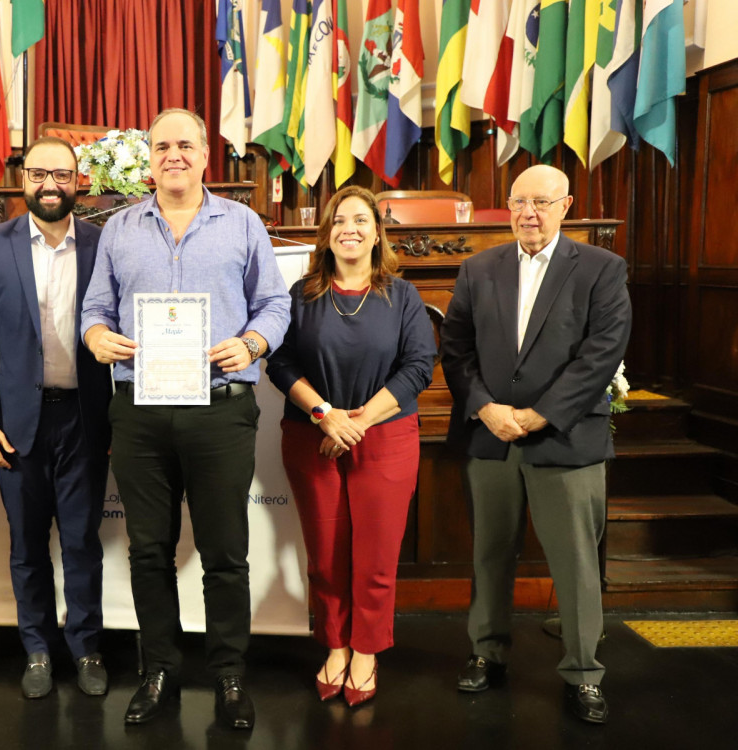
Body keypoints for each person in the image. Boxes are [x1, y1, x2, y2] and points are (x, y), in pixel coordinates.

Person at [81, 108, 290, 730]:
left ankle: (229, 675)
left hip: (220, 410)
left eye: (185, 145)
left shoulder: (242, 223)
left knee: (226, 553)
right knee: (149, 551)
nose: (173, 155)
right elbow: (95, 308)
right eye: (162, 146)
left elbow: (274, 303)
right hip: (140, 413)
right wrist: (96, 337)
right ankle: (159, 671)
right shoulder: (119, 228)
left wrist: (252, 343)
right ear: (149, 158)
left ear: (205, 155)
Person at [441, 165, 631, 725]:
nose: (529, 213)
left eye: (542, 202)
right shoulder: (478, 269)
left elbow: (602, 352)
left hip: (566, 437)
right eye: (519, 201)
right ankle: (487, 652)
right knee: (489, 554)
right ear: (507, 206)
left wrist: (541, 414)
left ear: (565, 206)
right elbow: (456, 349)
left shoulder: (601, 268)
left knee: (575, 562)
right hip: (491, 435)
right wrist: (486, 407)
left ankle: (583, 672)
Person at [266, 185, 434, 707]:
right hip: (312, 435)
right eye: (340, 220)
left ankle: (366, 649)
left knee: (375, 557)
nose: (350, 229)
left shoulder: (401, 296)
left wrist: (357, 422)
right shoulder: (301, 295)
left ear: (377, 233)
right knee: (325, 555)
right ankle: (335, 645)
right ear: (327, 233)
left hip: (385, 436)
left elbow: (419, 366)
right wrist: (326, 416)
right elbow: (279, 363)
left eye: (361, 220)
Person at [0, 136, 113, 699]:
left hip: (85, 419)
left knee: (81, 543)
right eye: (38, 174)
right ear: (23, 179)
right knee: (27, 546)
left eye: (62, 175)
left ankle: (87, 647)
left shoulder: (102, 243)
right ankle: (37, 649)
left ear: (79, 181)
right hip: (15, 423)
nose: (50, 185)